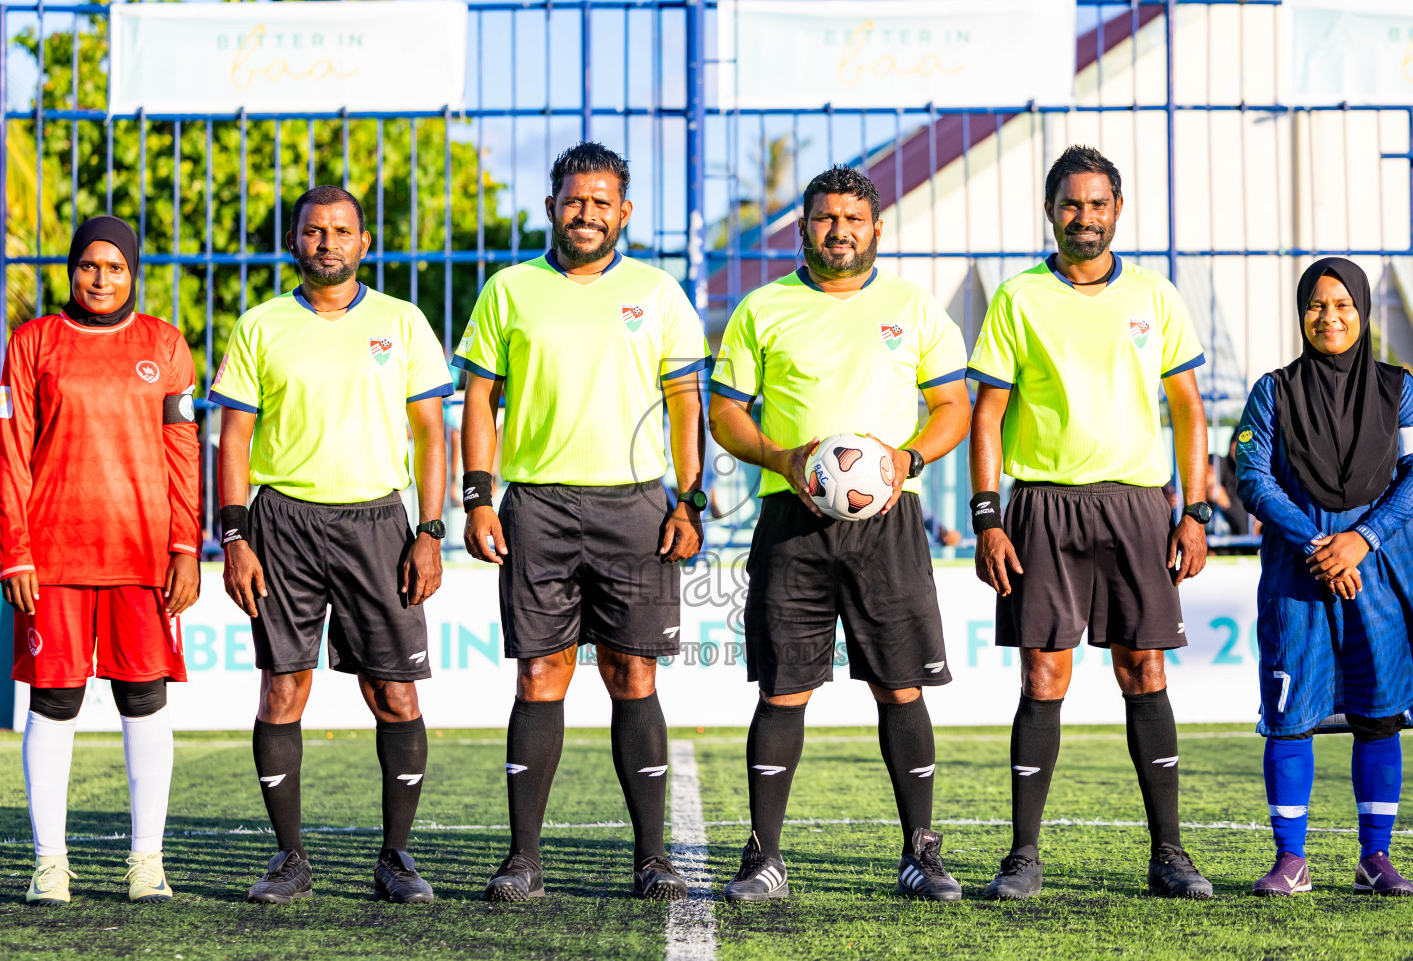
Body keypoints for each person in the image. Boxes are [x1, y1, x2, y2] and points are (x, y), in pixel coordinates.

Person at [708, 165, 972, 902]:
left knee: (900, 687)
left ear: (876, 228)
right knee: (784, 690)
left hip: (888, 525)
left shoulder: (914, 310)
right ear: (804, 226)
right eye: (826, 218)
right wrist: (781, 457)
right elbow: (724, 414)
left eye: (853, 219)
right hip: (794, 522)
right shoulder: (764, 309)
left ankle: (920, 851)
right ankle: (763, 856)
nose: (839, 230)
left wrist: (907, 457)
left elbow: (952, 404)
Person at [457, 143, 708, 902]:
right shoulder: (509, 291)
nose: (587, 214)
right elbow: (477, 402)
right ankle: (524, 859)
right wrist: (476, 496)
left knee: (634, 675)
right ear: (551, 208)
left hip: (635, 506)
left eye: (602, 202)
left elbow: (686, 406)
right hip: (538, 506)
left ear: (624, 212)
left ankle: (653, 857)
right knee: (541, 675)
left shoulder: (659, 293)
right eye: (575, 200)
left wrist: (689, 500)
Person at [969, 145, 1214, 900]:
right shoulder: (1018, 297)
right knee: (1044, 674)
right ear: (1052, 211)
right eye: (1072, 204)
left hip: (1140, 506)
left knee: (1145, 669)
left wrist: (1196, 509)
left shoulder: (1155, 294)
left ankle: (1170, 853)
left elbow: (1189, 411)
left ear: (1117, 208)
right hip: (1043, 504)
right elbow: (988, 416)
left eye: (1098, 203)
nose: (1086, 216)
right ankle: (1024, 855)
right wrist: (988, 518)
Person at [210, 185, 452, 905]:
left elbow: (433, 433)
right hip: (282, 522)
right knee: (284, 686)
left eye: (341, 231)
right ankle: (290, 859)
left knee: (394, 691)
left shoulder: (402, 323)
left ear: (364, 242)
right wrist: (234, 535)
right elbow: (235, 439)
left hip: (378, 524)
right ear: (295, 242)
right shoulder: (260, 325)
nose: (327, 243)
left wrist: (431, 530)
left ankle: (397, 858)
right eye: (314, 232)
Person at [1235, 258, 1413, 896]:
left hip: (1378, 568)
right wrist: (1318, 543)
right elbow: (1253, 478)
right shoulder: (1272, 391)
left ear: (1362, 313)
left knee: (1379, 714)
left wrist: (1360, 539)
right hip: (1298, 570)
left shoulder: (1401, 387)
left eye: (1342, 304)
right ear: (1301, 313)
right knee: (1290, 716)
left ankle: (1375, 858)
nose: (1329, 317)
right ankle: (1291, 860)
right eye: (1315, 304)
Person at [0, 215, 202, 905]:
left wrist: (185, 547)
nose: (102, 277)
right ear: (73, 269)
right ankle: (49, 864)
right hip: (52, 558)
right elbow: (11, 455)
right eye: (90, 265)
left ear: (133, 271)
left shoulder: (164, 345)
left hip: (142, 556)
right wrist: (15, 553)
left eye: (115, 266)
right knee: (55, 700)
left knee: (143, 697)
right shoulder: (35, 343)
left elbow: (182, 454)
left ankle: (147, 862)